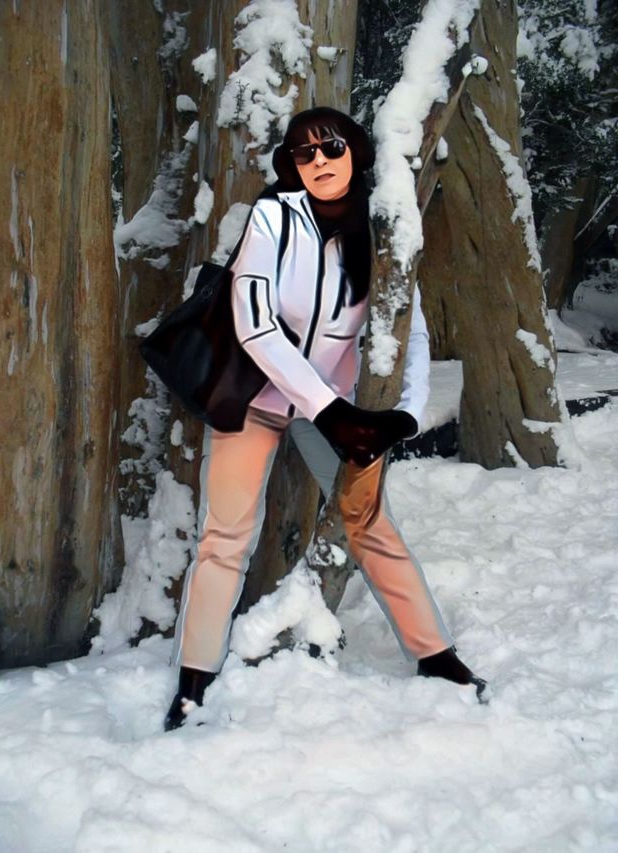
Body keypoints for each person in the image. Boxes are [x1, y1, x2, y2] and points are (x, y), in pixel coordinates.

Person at [164, 107, 486, 732]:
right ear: (291, 165)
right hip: (254, 398)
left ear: (355, 152)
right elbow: (255, 323)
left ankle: (436, 656)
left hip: (334, 408)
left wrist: (405, 415)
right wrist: (330, 412)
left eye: (331, 147)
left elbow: (411, 328)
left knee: (370, 523)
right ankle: (192, 681)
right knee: (224, 537)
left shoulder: (380, 228)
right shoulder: (273, 217)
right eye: (303, 153)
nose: (319, 161)